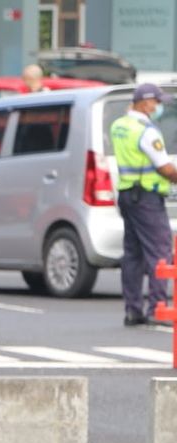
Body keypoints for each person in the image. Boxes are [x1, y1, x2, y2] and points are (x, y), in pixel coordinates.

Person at [110, 83, 177, 327]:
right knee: (159, 252)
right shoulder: (146, 131)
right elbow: (164, 167)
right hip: (147, 197)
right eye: (157, 102)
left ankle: (133, 310)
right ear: (146, 102)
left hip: (128, 194)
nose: (159, 106)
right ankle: (157, 308)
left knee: (133, 254)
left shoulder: (119, 125)